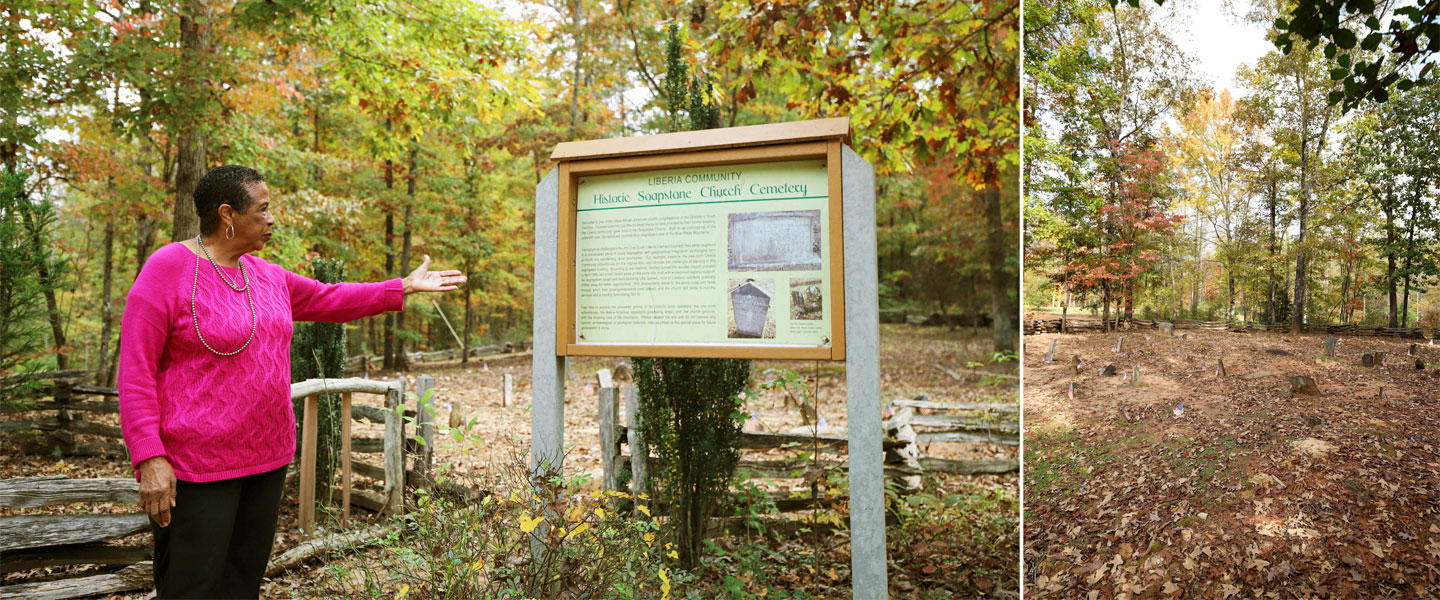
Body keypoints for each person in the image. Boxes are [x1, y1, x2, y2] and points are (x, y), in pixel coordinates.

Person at [118, 165, 465, 599]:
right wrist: (149, 458)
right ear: (227, 215)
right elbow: (135, 373)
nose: (272, 218)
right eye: (262, 210)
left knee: (242, 581)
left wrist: (402, 287)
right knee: (193, 587)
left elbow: (330, 297)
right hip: (198, 465)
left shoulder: (266, 275)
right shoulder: (167, 268)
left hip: (267, 456)